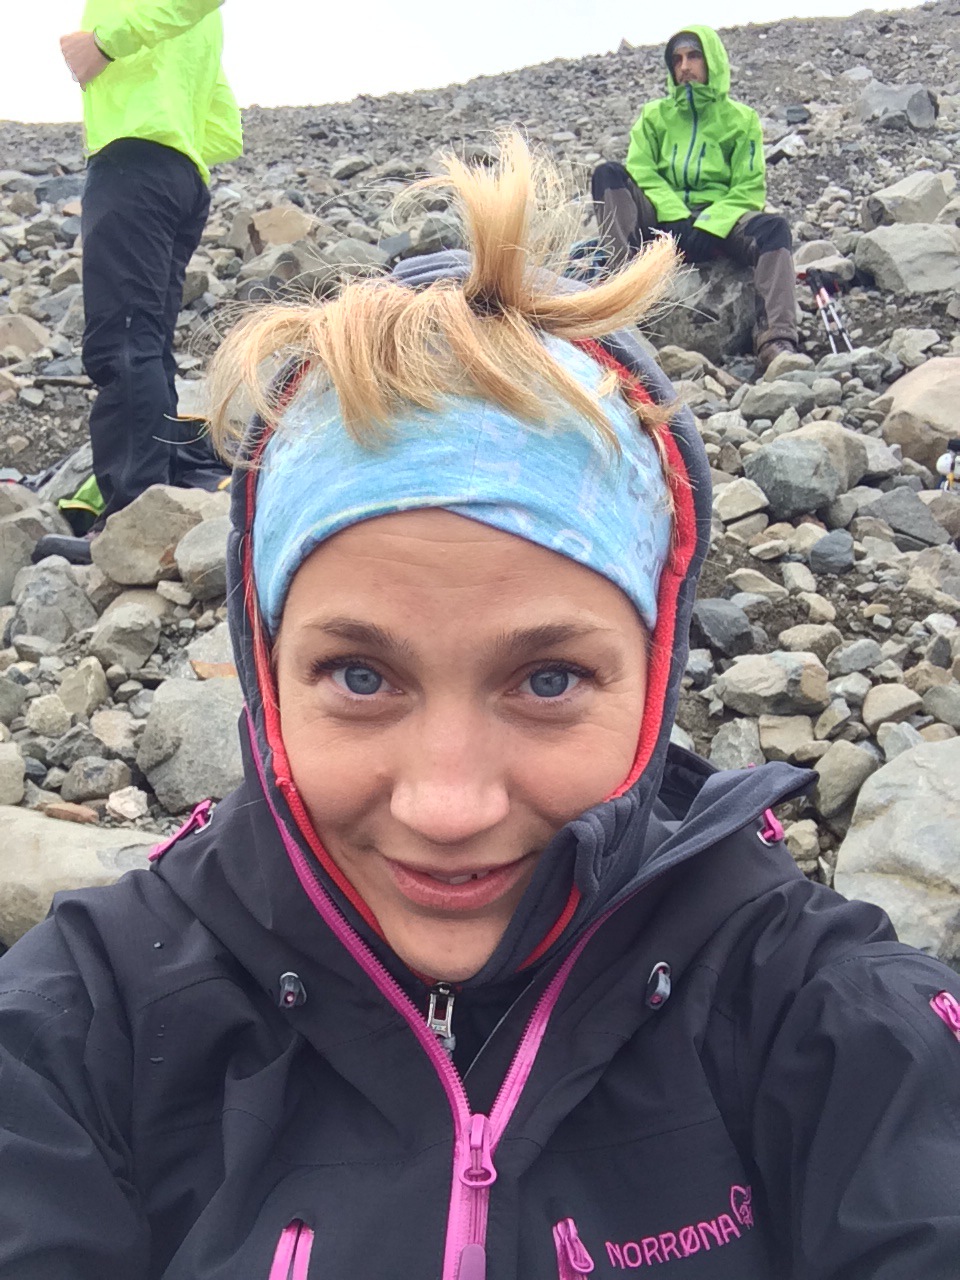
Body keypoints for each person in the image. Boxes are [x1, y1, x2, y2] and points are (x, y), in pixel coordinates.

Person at [1, 137, 959, 1279]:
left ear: (656, 673)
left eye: (548, 679)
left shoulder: (823, 1015)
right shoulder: (80, 1030)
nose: (448, 807)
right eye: (361, 677)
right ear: (263, 669)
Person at [44, 0, 242, 565]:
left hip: (132, 166)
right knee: (147, 340)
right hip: (181, 174)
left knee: (123, 342)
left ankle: (131, 521)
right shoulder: (198, 30)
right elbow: (225, 130)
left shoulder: (146, 19)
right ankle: (161, 492)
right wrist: (175, 135)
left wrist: (105, 42)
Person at [591, 26, 800, 370]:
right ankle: (620, 297)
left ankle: (775, 341)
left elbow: (748, 187)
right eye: (677, 59)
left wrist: (709, 224)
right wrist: (674, 214)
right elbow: (641, 170)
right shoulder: (654, 115)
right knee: (609, 176)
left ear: (712, 61)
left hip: (717, 222)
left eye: (693, 56)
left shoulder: (741, 119)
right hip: (664, 218)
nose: (684, 66)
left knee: (773, 229)